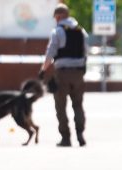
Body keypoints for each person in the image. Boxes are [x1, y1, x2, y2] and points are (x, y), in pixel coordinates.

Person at [38, 4, 88, 147]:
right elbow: (86, 51)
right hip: (78, 72)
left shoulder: (57, 31)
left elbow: (50, 53)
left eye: (55, 17)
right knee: (78, 105)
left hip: (62, 73)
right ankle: (80, 134)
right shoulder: (81, 31)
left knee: (60, 106)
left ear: (59, 16)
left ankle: (65, 138)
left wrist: (43, 70)